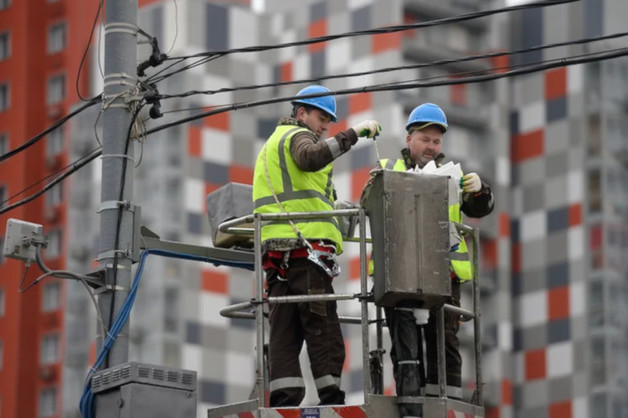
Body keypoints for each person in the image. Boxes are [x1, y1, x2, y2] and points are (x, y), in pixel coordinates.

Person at [252, 85, 381, 407]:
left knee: (284, 329)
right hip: (305, 250)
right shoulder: (296, 137)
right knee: (321, 323)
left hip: (279, 253)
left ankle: (284, 399)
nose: (325, 127)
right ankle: (331, 396)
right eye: (322, 119)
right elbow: (310, 158)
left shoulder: (274, 144)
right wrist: (354, 134)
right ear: (301, 114)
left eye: (329, 122)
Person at [378, 103, 494, 417]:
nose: (431, 146)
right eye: (425, 139)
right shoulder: (389, 169)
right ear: (409, 139)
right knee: (406, 348)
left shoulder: (452, 176)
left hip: (443, 274)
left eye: (436, 141)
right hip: (401, 273)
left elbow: (479, 209)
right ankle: (412, 410)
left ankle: (445, 409)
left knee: (446, 347)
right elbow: (369, 205)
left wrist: (480, 191)